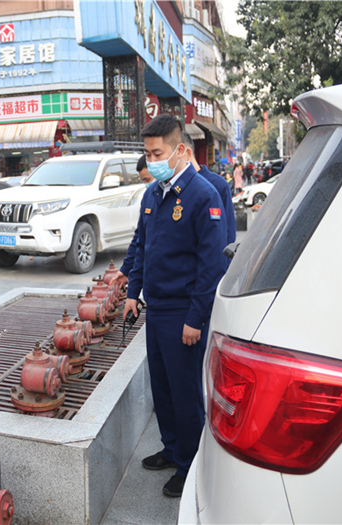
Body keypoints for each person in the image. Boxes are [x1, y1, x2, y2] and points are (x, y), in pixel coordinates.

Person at [124, 114, 227, 498]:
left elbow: (212, 263)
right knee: (163, 387)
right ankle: (171, 448)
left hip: (184, 312)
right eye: (147, 153)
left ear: (180, 150)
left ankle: (190, 463)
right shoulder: (153, 194)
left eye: (157, 153)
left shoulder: (203, 195)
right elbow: (140, 246)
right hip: (156, 309)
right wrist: (133, 292)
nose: (151, 160)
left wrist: (196, 318)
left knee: (185, 392)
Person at [182, 133, 237, 266]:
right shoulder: (173, 186)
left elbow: (228, 233)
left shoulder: (218, 184)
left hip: (212, 267)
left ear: (186, 153)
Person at [109, 155, 155, 285]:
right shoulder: (149, 196)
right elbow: (140, 238)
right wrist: (126, 270)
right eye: (143, 181)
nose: (146, 185)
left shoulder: (200, 192)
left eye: (148, 180)